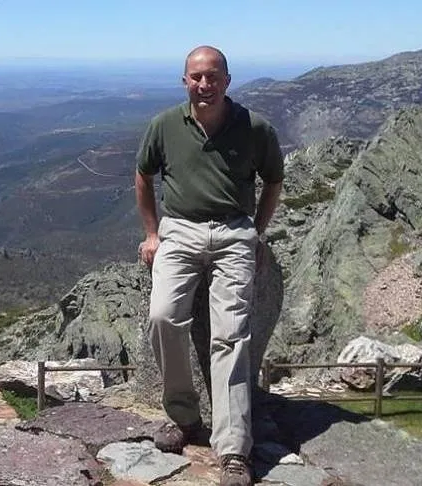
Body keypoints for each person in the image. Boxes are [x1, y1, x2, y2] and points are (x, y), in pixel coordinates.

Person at [134, 45, 284, 486]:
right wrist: (151, 232)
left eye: (213, 76)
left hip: (235, 231)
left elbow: (273, 180)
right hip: (178, 230)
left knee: (231, 333)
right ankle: (184, 418)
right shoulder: (164, 125)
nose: (205, 84)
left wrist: (256, 231)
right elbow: (143, 174)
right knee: (163, 316)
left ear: (227, 80)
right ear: (185, 81)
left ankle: (234, 449)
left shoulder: (255, 127)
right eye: (196, 77)